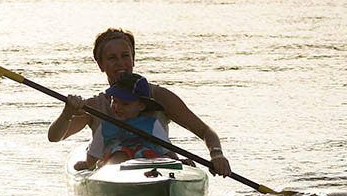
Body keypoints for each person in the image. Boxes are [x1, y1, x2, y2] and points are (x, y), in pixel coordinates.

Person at [47, 28, 233, 176]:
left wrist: (217, 154)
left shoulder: (159, 96)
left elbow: (205, 131)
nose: (120, 63)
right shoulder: (95, 105)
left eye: (125, 56)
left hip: (156, 165)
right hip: (114, 168)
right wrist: (67, 113)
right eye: (112, 58)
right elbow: (55, 137)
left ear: (133, 58)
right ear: (100, 64)